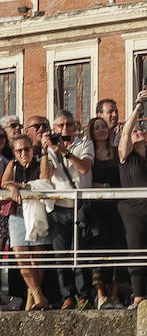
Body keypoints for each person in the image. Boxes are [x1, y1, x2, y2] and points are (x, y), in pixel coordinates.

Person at [117, 87, 147, 307]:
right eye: (136, 131)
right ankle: (138, 296)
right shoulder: (127, 156)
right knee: (136, 250)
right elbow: (125, 132)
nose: (138, 132)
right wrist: (137, 107)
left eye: (141, 130)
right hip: (133, 211)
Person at [45, 110, 93, 307]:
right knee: (60, 254)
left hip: (81, 206)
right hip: (59, 207)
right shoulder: (49, 149)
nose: (65, 129)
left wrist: (65, 152)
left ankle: (84, 296)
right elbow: (45, 174)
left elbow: (84, 167)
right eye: (60, 126)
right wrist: (44, 150)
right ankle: (67, 296)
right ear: (54, 129)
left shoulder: (84, 144)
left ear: (75, 127)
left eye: (68, 125)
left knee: (81, 251)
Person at [2, 134, 49, 309]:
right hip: (18, 214)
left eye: (26, 149)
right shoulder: (12, 165)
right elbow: (4, 182)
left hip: (37, 213)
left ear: (32, 149)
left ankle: (33, 297)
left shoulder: (39, 162)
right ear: (14, 152)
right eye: (19, 150)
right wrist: (12, 186)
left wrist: (21, 186)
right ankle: (38, 296)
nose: (23, 153)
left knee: (37, 260)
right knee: (21, 258)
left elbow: (45, 179)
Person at [85, 115, 125, 308]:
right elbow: (85, 178)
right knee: (98, 250)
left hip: (117, 207)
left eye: (103, 127)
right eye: (97, 127)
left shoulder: (117, 152)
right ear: (91, 132)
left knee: (118, 248)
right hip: (97, 207)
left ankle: (115, 295)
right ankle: (100, 295)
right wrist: (99, 185)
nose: (101, 130)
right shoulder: (88, 153)